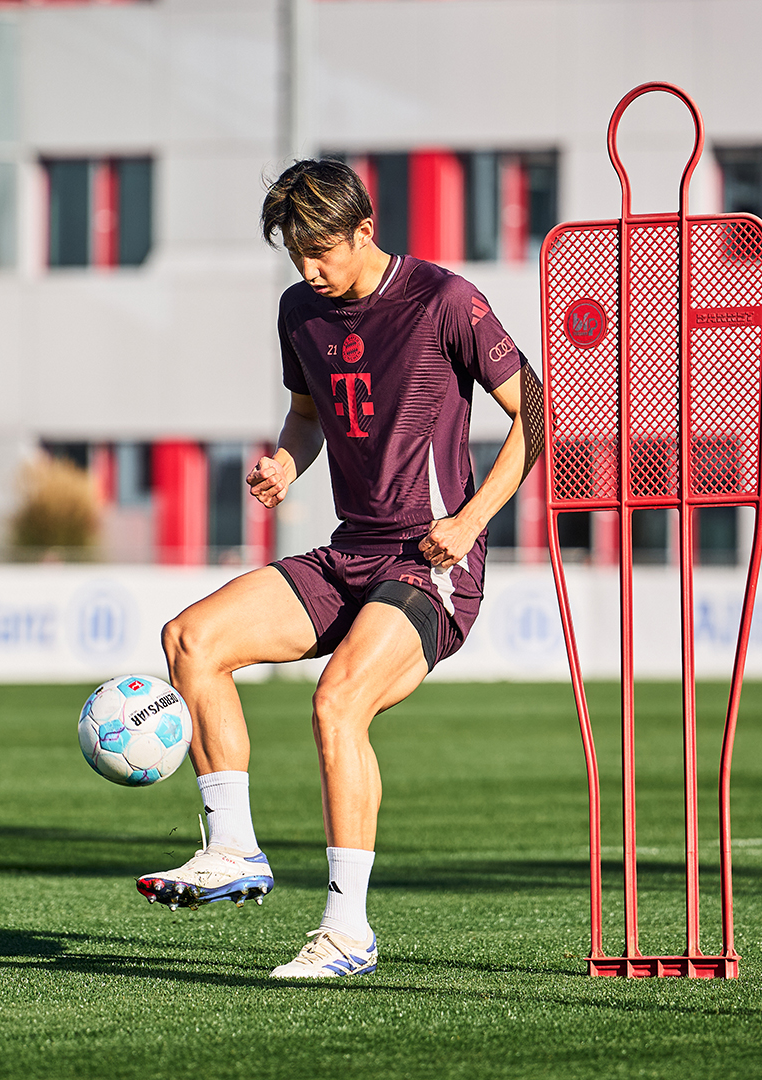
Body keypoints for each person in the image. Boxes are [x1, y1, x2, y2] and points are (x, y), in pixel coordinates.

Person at [138, 159, 542, 978]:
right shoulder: (299, 312)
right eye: (296, 255)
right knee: (190, 639)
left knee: (337, 703)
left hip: (431, 562)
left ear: (365, 229)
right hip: (350, 548)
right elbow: (305, 416)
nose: (310, 270)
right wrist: (287, 465)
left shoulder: (445, 301)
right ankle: (233, 849)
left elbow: (537, 410)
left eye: (321, 251)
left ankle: (347, 931)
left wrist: (470, 520)